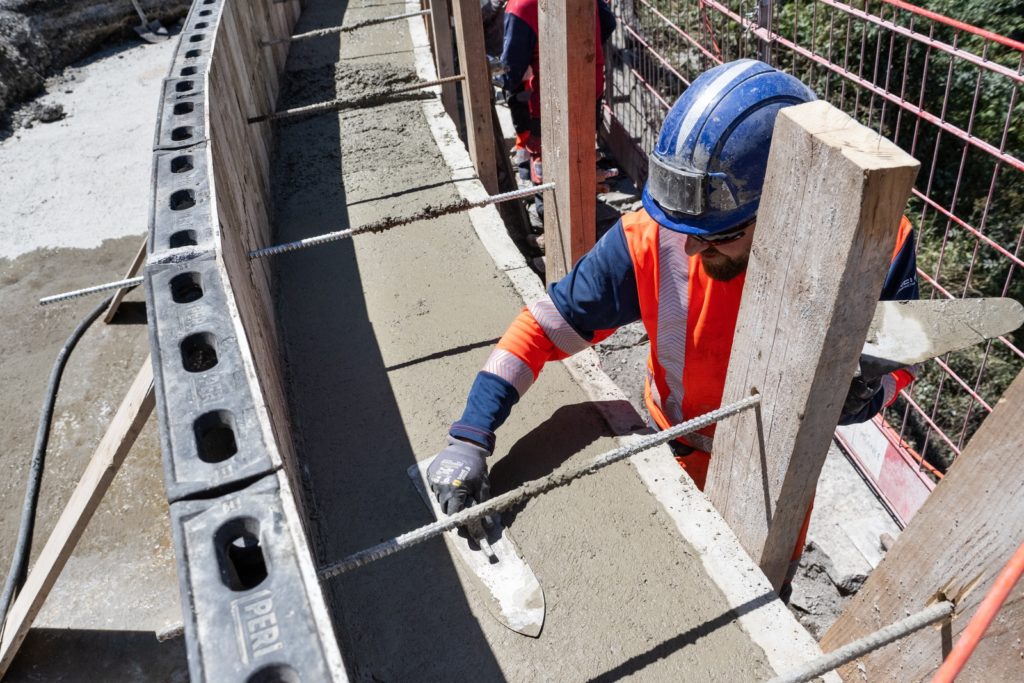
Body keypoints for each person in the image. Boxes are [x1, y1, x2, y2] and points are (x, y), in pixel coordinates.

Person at [428, 60, 918, 574]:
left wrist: (864, 396)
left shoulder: (876, 246)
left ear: (785, 208)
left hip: (778, 485)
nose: (689, 248)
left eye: (718, 235)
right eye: (686, 229)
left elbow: (902, 359)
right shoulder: (655, 237)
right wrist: (470, 434)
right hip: (671, 454)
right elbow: (545, 326)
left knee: (762, 591)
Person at [497, 0, 617, 188]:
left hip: (548, 104)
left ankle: (540, 192)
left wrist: (490, 70)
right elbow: (608, 22)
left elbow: (509, 75)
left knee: (550, 179)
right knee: (580, 162)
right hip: (589, 90)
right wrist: (581, 51)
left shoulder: (521, 6)